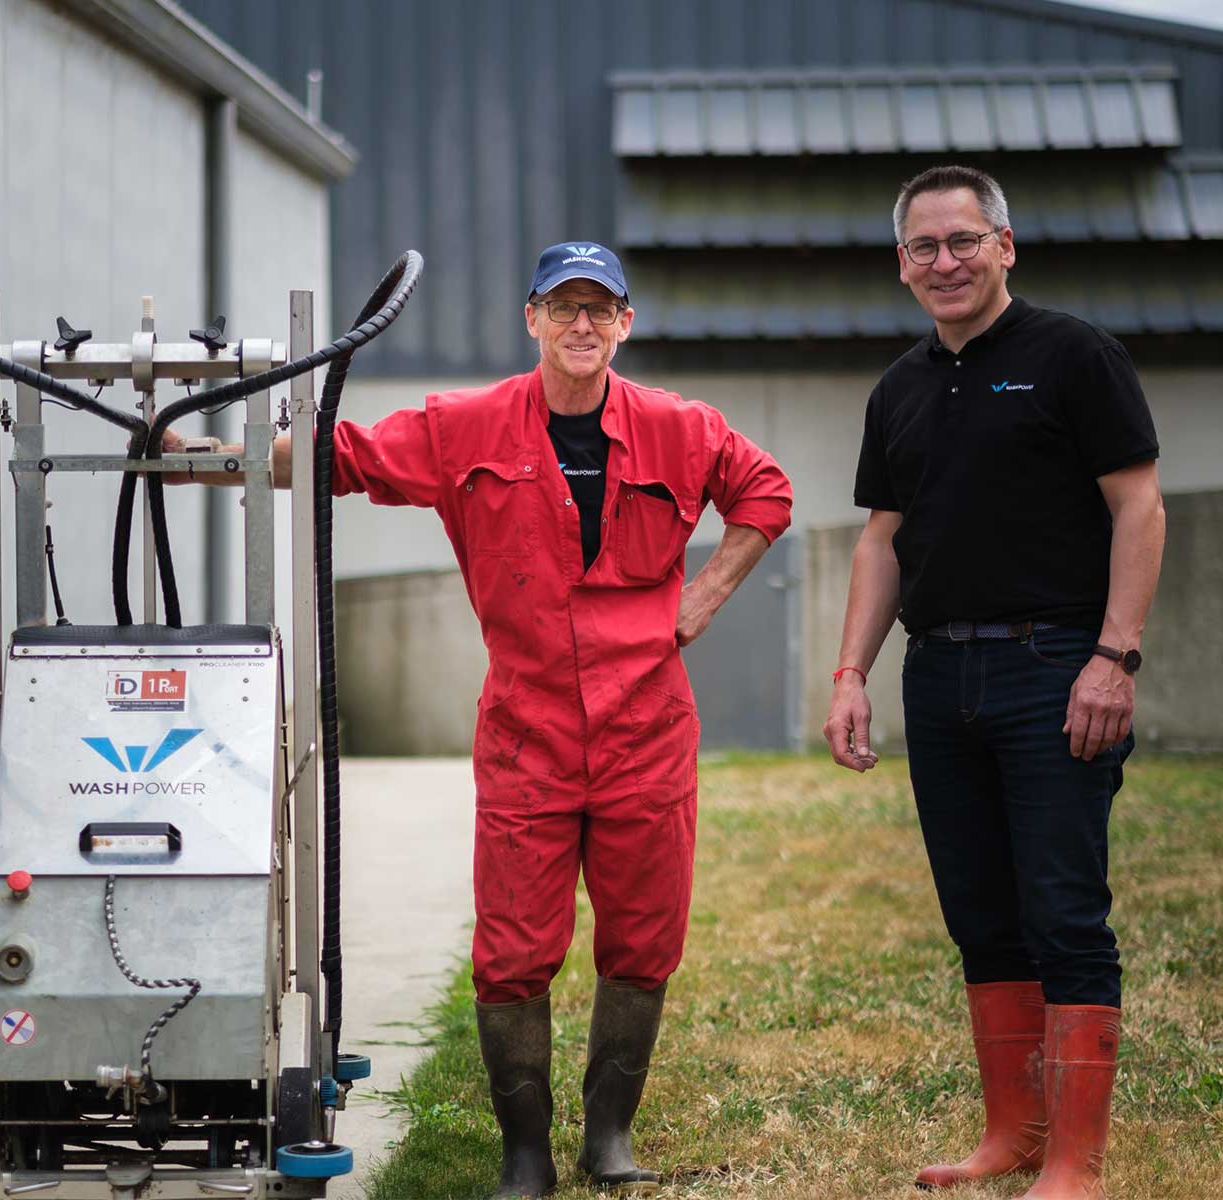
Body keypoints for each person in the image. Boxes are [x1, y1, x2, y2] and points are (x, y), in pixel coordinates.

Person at [168, 242, 791, 1196]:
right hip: (527, 732)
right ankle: (526, 1152)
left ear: (625, 324)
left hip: (647, 731)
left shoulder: (681, 428)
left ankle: (610, 1137)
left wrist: (700, 598)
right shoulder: (468, 426)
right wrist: (206, 463)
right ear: (531, 318)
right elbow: (341, 457)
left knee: (644, 936)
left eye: (600, 308)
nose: (581, 324)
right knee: (512, 950)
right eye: (562, 306)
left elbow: (765, 493)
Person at [822, 165, 1164, 1199]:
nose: (946, 261)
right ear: (902, 265)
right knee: (981, 913)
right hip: (940, 675)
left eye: (964, 240)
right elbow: (881, 540)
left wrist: (1114, 656)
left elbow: (1140, 507)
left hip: (1054, 667)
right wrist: (851, 672)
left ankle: (1074, 1162)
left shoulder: (1075, 356)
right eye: (925, 247)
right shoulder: (899, 388)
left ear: (1005, 246)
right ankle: (1012, 1136)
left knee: (1063, 911)